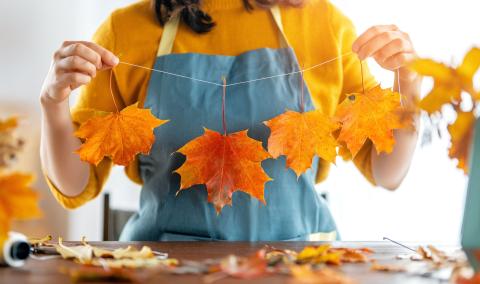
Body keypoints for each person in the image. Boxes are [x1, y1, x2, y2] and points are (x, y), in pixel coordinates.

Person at [40, 0, 421, 241]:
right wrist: (53, 104)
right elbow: (75, 184)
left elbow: (388, 171)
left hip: (298, 268)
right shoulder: (126, 29)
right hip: (163, 268)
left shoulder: (326, 24)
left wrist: (409, 82)